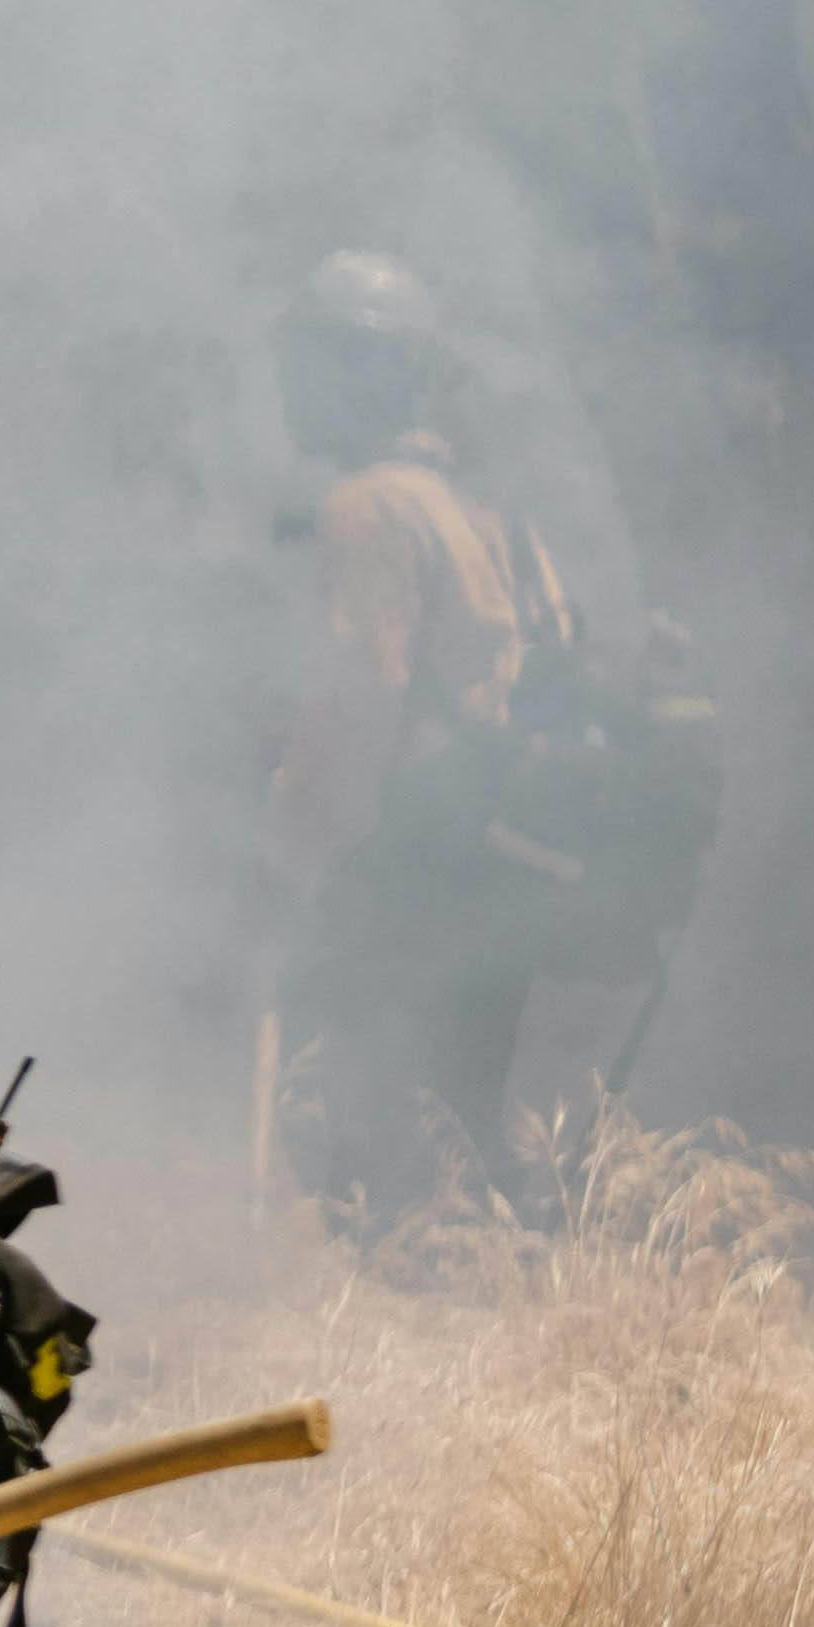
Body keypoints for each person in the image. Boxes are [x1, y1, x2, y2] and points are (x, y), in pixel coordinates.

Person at [256, 250, 574, 1214]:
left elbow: (359, 715)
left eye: (312, 359)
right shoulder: (484, 511)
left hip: (405, 874)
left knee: (349, 1138)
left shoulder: (369, 510)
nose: (292, 385)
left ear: (366, 370)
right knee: (454, 1142)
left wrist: (286, 855)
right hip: (502, 867)